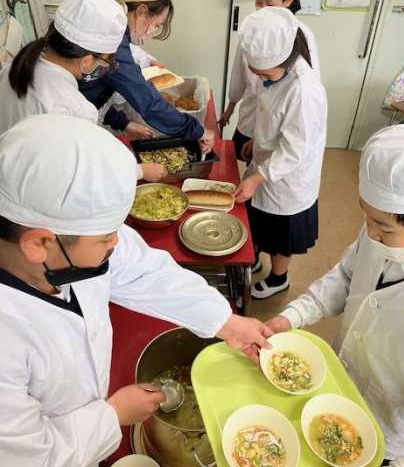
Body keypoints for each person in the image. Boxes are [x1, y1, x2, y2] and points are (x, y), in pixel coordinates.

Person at [0, 114, 272, 467]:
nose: (116, 242)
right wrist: (112, 415)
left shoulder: (68, 244)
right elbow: (28, 456)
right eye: (106, 238)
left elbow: (144, 269)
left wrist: (226, 322)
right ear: (39, 243)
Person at [265, 125, 404, 466]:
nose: (370, 232)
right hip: (334, 390)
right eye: (367, 216)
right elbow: (347, 276)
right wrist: (292, 316)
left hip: (386, 435)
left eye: (384, 227)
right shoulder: (379, 237)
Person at [0, 0, 167, 183]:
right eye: (107, 62)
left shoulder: (14, 67)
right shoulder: (74, 107)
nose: (106, 67)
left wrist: (123, 123)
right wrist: (138, 171)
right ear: (87, 61)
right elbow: (83, 175)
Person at [235, 7, 327, 299]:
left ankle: (279, 278)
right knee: (259, 219)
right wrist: (256, 140)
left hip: (289, 176)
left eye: (264, 73)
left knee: (280, 234)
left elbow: (294, 149)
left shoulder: (303, 91)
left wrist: (256, 178)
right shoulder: (276, 76)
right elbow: (272, 116)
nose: (260, 78)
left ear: (285, 61)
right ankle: (255, 260)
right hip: (267, 160)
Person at [79, 0, 214, 153]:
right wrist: (197, 130)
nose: (153, 31)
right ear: (141, 12)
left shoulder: (103, 28)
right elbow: (147, 101)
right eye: (157, 25)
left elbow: (90, 89)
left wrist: (122, 123)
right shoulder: (111, 41)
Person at [219, 0, 320, 162]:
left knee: (271, 162)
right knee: (247, 160)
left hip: (280, 120)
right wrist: (231, 106)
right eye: (259, 2)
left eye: (269, 4)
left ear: (288, 0)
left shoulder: (302, 34)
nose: (263, 10)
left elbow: (309, 86)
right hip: (251, 111)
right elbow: (239, 71)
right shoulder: (253, 27)